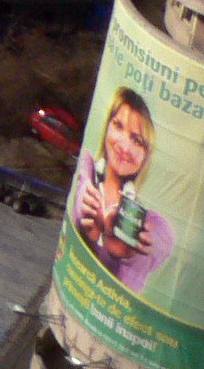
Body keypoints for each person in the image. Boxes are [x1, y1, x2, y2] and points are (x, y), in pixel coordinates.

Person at [73, 87, 178, 291]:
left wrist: (131, 254)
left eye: (137, 140)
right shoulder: (89, 173)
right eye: (118, 126)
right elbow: (81, 190)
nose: (125, 146)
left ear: (146, 155)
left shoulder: (146, 221)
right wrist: (86, 217)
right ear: (107, 127)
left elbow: (162, 239)